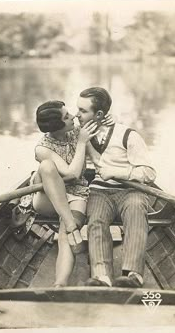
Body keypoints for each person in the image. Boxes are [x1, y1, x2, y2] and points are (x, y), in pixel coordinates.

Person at [76, 87, 157, 288]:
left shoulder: (128, 135)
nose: (77, 114)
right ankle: (102, 277)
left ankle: (132, 275)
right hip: (99, 192)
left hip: (131, 191)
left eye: (82, 111)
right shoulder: (79, 136)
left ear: (100, 114)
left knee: (137, 211)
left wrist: (117, 173)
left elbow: (149, 173)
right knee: (96, 220)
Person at [29, 100, 99, 287]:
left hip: (77, 194)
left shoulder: (77, 132)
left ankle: (59, 284)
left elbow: (97, 158)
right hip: (47, 199)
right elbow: (72, 173)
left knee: (64, 236)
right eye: (67, 116)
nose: (74, 116)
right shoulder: (42, 148)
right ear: (57, 126)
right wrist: (82, 143)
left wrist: (109, 119)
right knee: (46, 166)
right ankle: (70, 225)